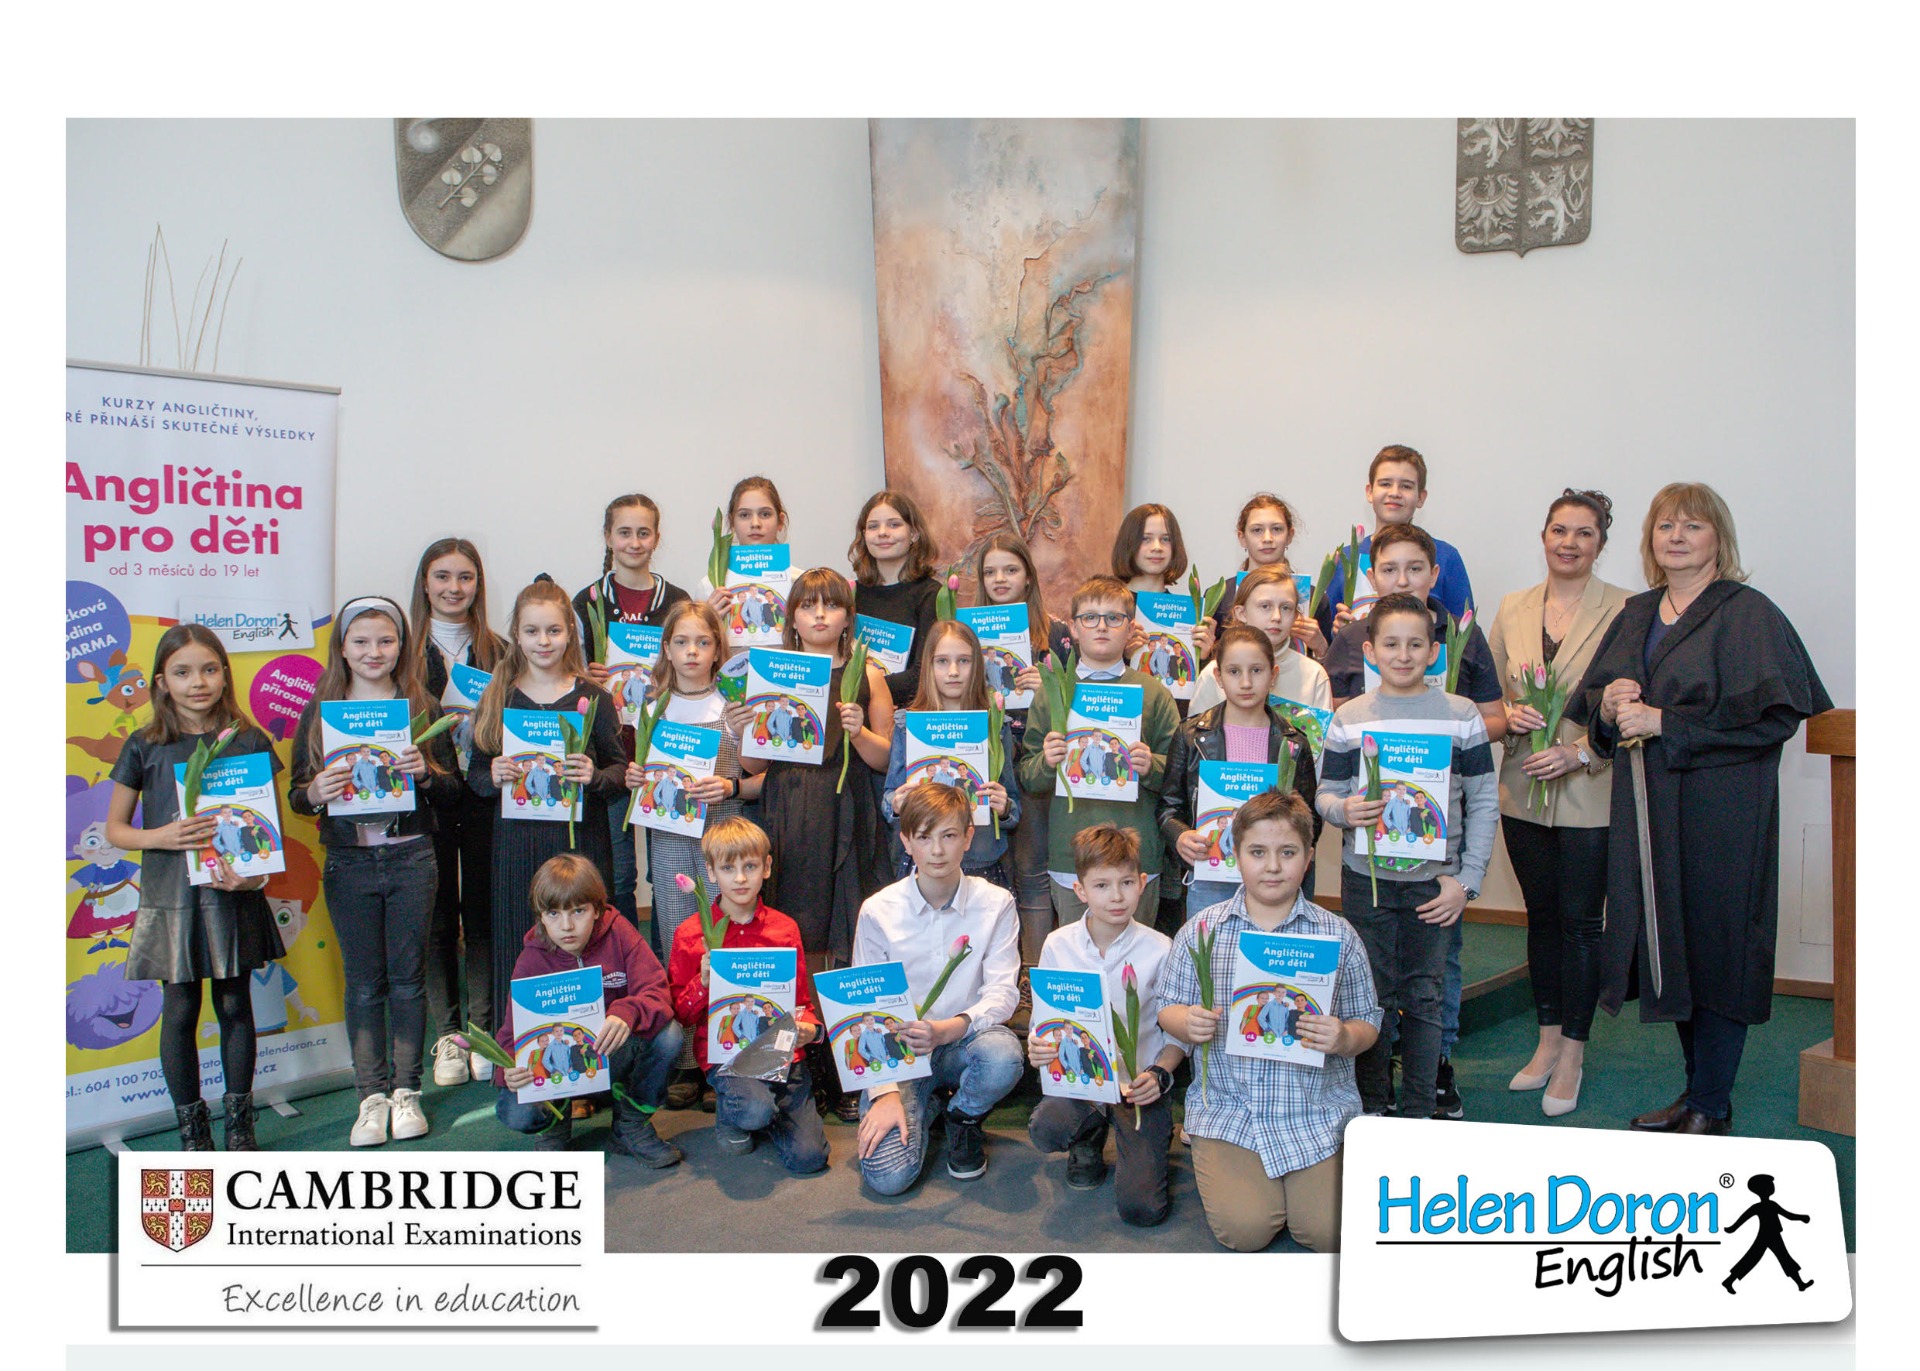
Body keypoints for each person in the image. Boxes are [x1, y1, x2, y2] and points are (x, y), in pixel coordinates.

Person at [1579, 483, 1831, 1137]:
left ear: (1719, 537)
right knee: (1672, 946)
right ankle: (1698, 1097)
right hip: (1649, 810)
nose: (1677, 536)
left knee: (1719, 946)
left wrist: (1668, 722)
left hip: (1724, 813)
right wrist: (1609, 706)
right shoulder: (1637, 612)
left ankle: (1711, 1104)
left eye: (1692, 525)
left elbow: (1775, 719)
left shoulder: (1749, 613)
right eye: (1665, 525)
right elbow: (1597, 717)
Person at [1323, 522, 1505, 1114]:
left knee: (1425, 998)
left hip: (1436, 884)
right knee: (1370, 996)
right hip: (1367, 880)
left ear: (1434, 651)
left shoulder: (1462, 715)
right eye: (1391, 645)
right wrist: (1343, 810)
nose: (1403, 656)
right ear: (1369, 651)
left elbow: (1482, 800)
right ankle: (1373, 1107)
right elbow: (1325, 793)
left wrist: (1466, 881)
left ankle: (1421, 1109)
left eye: (1415, 645)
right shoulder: (1349, 717)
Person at [1159, 791, 1381, 1251]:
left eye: (1288, 853)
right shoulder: (1202, 930)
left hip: (1315, 1109)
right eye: (1257, 852)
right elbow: (1168, 1008)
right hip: (1229, 1109)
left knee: (1327, 1233)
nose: (1273, 867)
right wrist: (1187, 1022)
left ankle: (1302, 1188)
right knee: (1246, 1231)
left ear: (1309, 857)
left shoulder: (1338, 934)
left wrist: (1343, 1037)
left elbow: (1368, 1023)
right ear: (1236, 855)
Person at [289, 596, 461, 1147]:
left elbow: (453, 790)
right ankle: (371, 1097)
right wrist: (315, 792)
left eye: (386, 640)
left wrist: (426, 773)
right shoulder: (321, 711)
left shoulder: (421, 706)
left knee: (408, 979)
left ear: (401, 645)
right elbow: (296, 795)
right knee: (364, 985)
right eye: (360, 641)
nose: (374, 652)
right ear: (341, 648)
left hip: (412, 859)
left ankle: (407, 1091)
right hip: (350, 863)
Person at [104, 625, 281, 1151]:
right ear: (162, 682)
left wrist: (254, 876)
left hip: (232, 895)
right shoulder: (145, 745)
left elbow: (265, 832)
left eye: (208, 670)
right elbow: (115, 830)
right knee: (180, 1012)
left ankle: (240, 1127)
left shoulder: (248, 740)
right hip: (172, 901)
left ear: (224, 674)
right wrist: (159, 836)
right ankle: (193, 1133)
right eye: (182, 672)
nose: (197, 682)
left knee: (235, 1006)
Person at [1485, 489, 1631, 1118]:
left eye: (1584, 533)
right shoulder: (1512, 606)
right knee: (1541, 920)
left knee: (1580, 924)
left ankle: (1573, 1052)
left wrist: (1579, 754)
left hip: (1589, 791)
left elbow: (1629, 704)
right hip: (1522, 790)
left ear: (1601, 543)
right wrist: (1507, 716)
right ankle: (1546, 1042)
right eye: (1559, 530)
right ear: (1543, 536)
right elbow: (1488, 698)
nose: (1569, 543)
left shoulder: (1627, 609)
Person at [466, 578, 629, 1029]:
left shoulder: (593, 698)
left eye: (554, 631)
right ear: (516, 636)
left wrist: (594, 776)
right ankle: (518, 1044)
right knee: (518, 942)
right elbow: (475, 776)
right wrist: (493, 775)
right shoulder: (499, 696)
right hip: (516, 847)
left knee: (586, 944)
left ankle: (589, 1045)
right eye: (532, 631)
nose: (544, 641)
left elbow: (619, 771)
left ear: (569, 634)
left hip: (580, 846)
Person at [852, 784, 1024, 1193]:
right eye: (924, 837)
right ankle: (925, 1103)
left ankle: (962, 1114)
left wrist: (950, 1028)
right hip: (900, 1054)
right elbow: (863, 1008)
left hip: (963, 1042)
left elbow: (1003, 993)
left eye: (949, 836)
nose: (937, 851)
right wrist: (884, 1093)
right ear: (906, 841)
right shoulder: (878, 910)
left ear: (968, 837)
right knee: (889, 1179)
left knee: (1003, 1057)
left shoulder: (996, 903)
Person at [1027, 825, 1186, 1225]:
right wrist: (1037, 1047)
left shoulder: (1160, 949)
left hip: (1140, 1087)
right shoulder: (1058, 945)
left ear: (1142, 883)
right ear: (1080, 890)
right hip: (1084, 1085)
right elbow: (1043, 1024)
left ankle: (1151, 1135)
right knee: (1046, 1128)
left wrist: (1159, 1073)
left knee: (1142, 1210)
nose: (1116, 896)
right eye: (1101, 885)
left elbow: (1177, 1036)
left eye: (1126, 883)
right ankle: (1089, 1135)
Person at [492, 854, 684, 1165]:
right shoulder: (531, 960)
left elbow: (657, 992)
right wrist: (508, 1070)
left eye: (578, 911)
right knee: (516, 1112)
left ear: (597, 909)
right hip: (556, 1074)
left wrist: (627, 1011)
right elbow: (509, 1036)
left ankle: (630, 1125)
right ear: (541, 917)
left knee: (669, 1035)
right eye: (553, 914)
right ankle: (555, 1128)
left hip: (610, 1054)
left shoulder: (619, 933)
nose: (566, 926)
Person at [666, 816, 831, 1173]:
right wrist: (703, 983)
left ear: (766, 868)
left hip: (782, 1055)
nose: (740, 878)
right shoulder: (691, 934)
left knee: (810, 1159)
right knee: (754, 1111)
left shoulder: (784, 929)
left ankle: (769, 1111)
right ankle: (740, 1112)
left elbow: (800, 1002)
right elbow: (681, 1015)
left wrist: (809, 1028)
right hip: (728, 1058)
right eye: (728, 868)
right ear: (711, 872)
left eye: (750, 867)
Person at [1016, 575, 1182, 927]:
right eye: (1090, 618)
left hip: (1137, 860)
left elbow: (1178, 777)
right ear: (1074, 629)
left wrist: (1151, 765)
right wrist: (1047, 762)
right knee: (1076, 954)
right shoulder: (1051, 692)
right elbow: (1028, 776)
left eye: (1114, 618)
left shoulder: (1154, 693)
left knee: (1136, 955)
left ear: (1130, 628)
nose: (1102, 626)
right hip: (1071, 857)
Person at [409, 537, 509, 1087]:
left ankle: (482, 1028)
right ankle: (447, 1034)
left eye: (465, 577)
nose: (454, 588)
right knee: (438, 917)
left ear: (478, 584)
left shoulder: (500, 650)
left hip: (487, 797)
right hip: (426, 800)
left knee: (485, 914)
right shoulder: (402, 650)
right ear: (425, 584)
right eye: (443, 577)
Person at [573, 493, 694, 928]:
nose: (634, 542)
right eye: (624, 532)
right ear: (608, 537)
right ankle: (623, 960)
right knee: (619, 875)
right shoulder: (586, 601)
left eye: (644, 533)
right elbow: (565, 676)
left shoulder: (677, 600)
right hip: (611, 756)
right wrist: (585, 673)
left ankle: (665, 958)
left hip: (665, 750)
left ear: (656, 538)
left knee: (668, 872)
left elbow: (695, 663)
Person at [1159, 626, 1319, 919]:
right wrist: (1180, 836)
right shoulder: (1191, 735)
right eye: (1234, 672)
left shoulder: (1294, 743)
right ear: (1218, 677)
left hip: (1274, 879)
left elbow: (1312, 821)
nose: (1246, 682)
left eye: (1256, 670)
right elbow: (1168, 808)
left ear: (1273, 675)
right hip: (1211, 877)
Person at [882, 619, 1020, 886]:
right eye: (942, 661)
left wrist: (1004, 808)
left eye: (964, 661)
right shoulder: (907, 725)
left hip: (982, 861)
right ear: (928, 666)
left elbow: (1013, 804)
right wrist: (896, 804)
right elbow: (889, 798)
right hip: (922, 866)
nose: (953, 671)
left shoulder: (996, 726)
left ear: (977, 666)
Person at [1312, 444, 1477, 644]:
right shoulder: (1345, 559)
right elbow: (1325, 637)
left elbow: (1464, 635)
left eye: (1406, 486)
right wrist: (1337, 632)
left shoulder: (1445, 556)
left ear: (1421, 497)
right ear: (1369, 492)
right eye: (1385, 484)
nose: (1395, 492)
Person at [1189, 566, 1333, 716]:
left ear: (1296, 616)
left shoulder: (1314, 676)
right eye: (1265, 606)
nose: (1276, 617)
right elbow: (1195, 728)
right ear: (1241, 613)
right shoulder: (1214, 674)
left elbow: (1322, 731)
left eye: (1286, 608)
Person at [849, 489, 942, 706]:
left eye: (894, 524)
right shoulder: (851, 593)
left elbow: (924, 675)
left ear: (914, 533)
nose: (882, 533)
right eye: (873, 526)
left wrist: (864, 689)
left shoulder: (931, 594)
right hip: (856, 714)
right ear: (864, 535)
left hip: (909, 713)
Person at [1210, 494, 1328, 658]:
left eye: (1277, 529)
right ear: (1242, 538)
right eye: (1257, 530)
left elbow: (1332, 668)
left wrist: (1321, 648)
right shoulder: (1220, 597)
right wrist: (1204, 652)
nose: (1267, 538)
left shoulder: (1315, 598)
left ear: (1290, 535)